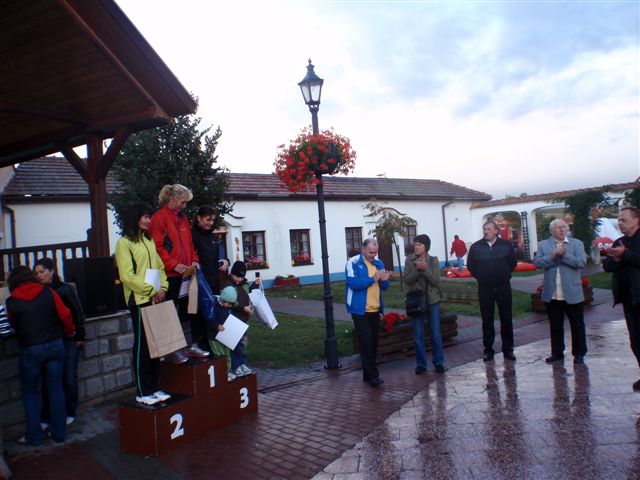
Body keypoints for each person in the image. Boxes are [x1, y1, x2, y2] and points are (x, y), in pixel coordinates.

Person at [5, 266, 74, 445]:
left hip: (30, 348)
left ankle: (34, 436)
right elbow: (65, 314)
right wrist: (69, 331)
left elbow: (12, 323)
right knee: (56, 388)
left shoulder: (11, 301)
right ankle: (59, 433)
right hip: (55, 344)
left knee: (30, 392)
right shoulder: (48, 292)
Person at [115, 203, 171, 406]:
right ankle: (142, 391)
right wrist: (150, 291)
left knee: (155, 346)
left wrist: (163, 288)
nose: (149, 220)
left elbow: (159, 267)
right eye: (145, 217)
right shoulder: (124, 243)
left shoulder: (148, 240)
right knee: (142, 347)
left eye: (149, 216)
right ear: (135, 218)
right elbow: (127, 276)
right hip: (139, 301)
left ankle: (154, 387)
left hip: (155, 298)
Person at [149, 184, 207, 363]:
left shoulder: (182, 218)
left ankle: (189, 346)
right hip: (170, 275)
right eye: (183, 202)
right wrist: (173, 265)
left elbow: (189, 244)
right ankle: (171, 350)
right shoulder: (159, 218)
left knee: (188, 311)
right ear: (171, 199)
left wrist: (194, 259)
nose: (185, 205)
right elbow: (157, 247)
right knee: (169, 313)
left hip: (186, 274)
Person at [33, 257, 86, 427]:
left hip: (69, 338)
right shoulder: (39, 292)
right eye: (36, 273)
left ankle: (70, 411)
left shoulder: (65, 290)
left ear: (52, 271)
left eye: (42, 271)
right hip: (51, 340)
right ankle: (48, 415)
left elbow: (77, 312)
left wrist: (80, 336)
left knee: (69, 377)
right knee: (50, 380)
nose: (39, 275)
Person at [533, 219, 588, 364]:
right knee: (555, 326)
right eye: (558, 227)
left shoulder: (576, 244)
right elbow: (537, 263)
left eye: (564, 227)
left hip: (572, 292)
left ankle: (579, 353)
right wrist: (552, 256)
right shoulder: (544, 244)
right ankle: (557, 353)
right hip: (553, 294)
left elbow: (581, 262)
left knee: (577, 324)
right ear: (551, 231)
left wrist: (564, 256)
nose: (562, 230)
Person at [467, 220, 517, 362]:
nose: (486, 231)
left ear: (496, 230)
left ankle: (508, 349)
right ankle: (488, 350)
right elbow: (471, 266)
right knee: (487, 320)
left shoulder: (506, 245)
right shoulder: (476, 247)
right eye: (484, 229)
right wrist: (481, 277)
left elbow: (512, 263)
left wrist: (503, 273)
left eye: (489, 229)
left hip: (503, 286)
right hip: (485, 288)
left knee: (506, 319)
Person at [345, 238, 391, 387]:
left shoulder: (379, 263)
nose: (373, 255)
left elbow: (384, 287)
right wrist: (372, 279)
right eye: (371, 252)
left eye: (375, 252)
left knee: (373, 342)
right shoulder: (353, 262)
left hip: (375, 308)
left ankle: (367, 374)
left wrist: (385, 280)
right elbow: (352, 283)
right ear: (363, 249)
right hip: (359, 309)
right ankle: (373, 376)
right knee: (366, 341)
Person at [603, 206, 640, 391]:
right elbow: (607, 266)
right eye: (618, 220)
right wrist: (616, 259)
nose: (619, 223)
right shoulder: (619, 241)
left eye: (623, 219)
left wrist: (624, 254)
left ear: (636, 220)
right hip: (628, 299)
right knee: (636, 340)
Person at [404, 234, 445, 374]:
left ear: (426, 247)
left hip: (432, 300)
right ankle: (421, 364)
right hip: (416, 300)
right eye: (415, 244)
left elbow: (436, 281)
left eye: (419, 245)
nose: (416, 247)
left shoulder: (433, 260)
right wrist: (417, 269)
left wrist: (425, 269)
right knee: (418, 334)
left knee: (436, 333)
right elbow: (407, 280)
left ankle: (438, 362)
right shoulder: (409, 260)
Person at [224, 261, 261, 378]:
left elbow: (248, 293)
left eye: (241, 277)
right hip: (233, 319)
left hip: (243, 320)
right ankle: (236, 366)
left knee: (243, 344)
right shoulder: (228, 285)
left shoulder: (244, 284)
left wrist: (255, 285)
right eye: (237, 276)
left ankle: (243, 363)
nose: (239, 279)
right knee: (235, 344)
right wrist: (243, 308)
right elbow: (231, 300)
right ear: (232, 273)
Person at [191, 205, 229, 296]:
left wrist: (226, 261)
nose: (211, 223)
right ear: (199, 218)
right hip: (200, 284)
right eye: (208, 220)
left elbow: (217, 255)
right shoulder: (192, 235)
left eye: (213, 220)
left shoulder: (212, 235)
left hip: (215, 282)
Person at [207, 286, 238, 382]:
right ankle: (220, 373)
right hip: (214, 336)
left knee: (227, 354)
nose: (229, 306)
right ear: (222, 299)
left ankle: (227, 371)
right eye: (228, 303)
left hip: (225, 336)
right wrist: (217, 326)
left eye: (231, 304)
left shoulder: (227, 307)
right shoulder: (213, 305)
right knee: (219, 355)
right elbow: (209, 319)